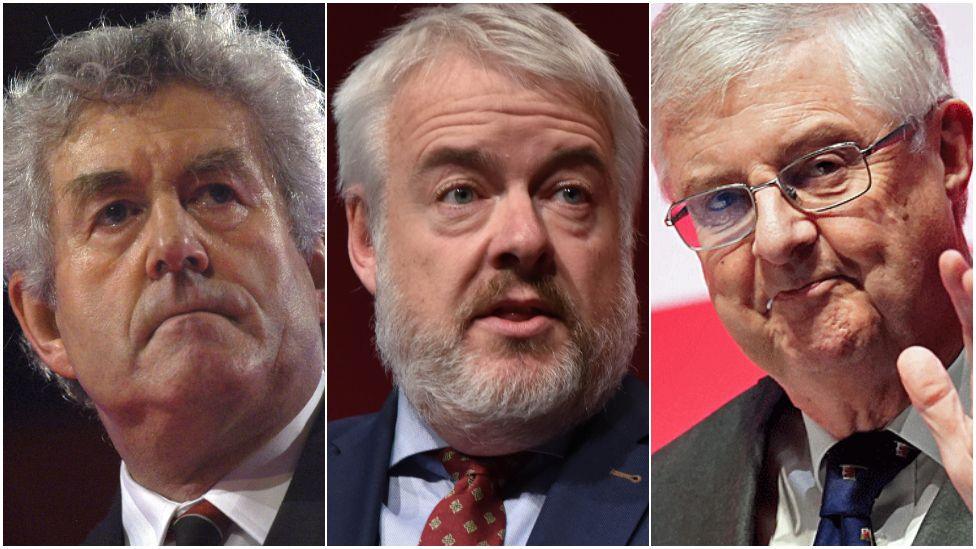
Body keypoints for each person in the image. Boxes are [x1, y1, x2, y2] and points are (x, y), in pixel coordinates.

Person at [3, 4, 325, 545]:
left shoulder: (435, 515)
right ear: (45, 322)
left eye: (217, 193)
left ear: (315, 268)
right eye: (115, 212)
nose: (174, 246)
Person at [652, 4, 973, 545]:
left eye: (823, 166)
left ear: (947, 151)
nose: (776, 239)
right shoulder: (658, 505)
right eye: (725, 201)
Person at [328, 4, 648, 545]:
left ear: (625, 232)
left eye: (569, 193)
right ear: (366, 238)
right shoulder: (307, 482)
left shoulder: (689, 480)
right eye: (461, 193)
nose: (523, 239)